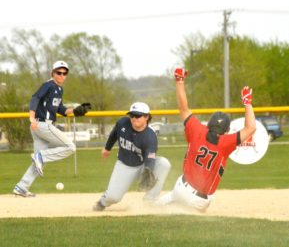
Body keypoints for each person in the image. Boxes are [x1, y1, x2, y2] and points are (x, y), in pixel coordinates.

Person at [156, 68, 256, 212]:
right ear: (226, 130)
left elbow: (183, 108)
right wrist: (247, 103)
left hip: (180, 190)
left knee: (156, 207)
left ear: (209, 124)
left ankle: (153, 206)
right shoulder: (225, 142)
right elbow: (251, 128)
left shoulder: (197, 129)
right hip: (199, 201)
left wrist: (179, 80)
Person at [13, 61, 90, 197]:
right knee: (70, 147)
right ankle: (40, 157)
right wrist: (31, 118)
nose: (61, 75)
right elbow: (35, 98)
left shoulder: (59, 89)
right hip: (43, 125)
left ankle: (21, 187)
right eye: (58, 72)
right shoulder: (48, 85)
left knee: (38, 164)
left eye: (64, 73)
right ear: (52, 73)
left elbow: (61, 109)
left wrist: (76, 111)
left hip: (40, 127)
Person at [93, 102, 171, 211]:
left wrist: (148, 170)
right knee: (113, 197)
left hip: (143, 165)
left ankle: (150, 200)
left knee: (164, 163)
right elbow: (114, 134)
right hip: (124, 165)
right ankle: (102, 202)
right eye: (132, 115)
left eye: (138, 115)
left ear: (146, 117)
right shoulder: (122, 123)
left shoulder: (150, 136)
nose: (134, 118)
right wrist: (107, 148)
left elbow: (150, 157)